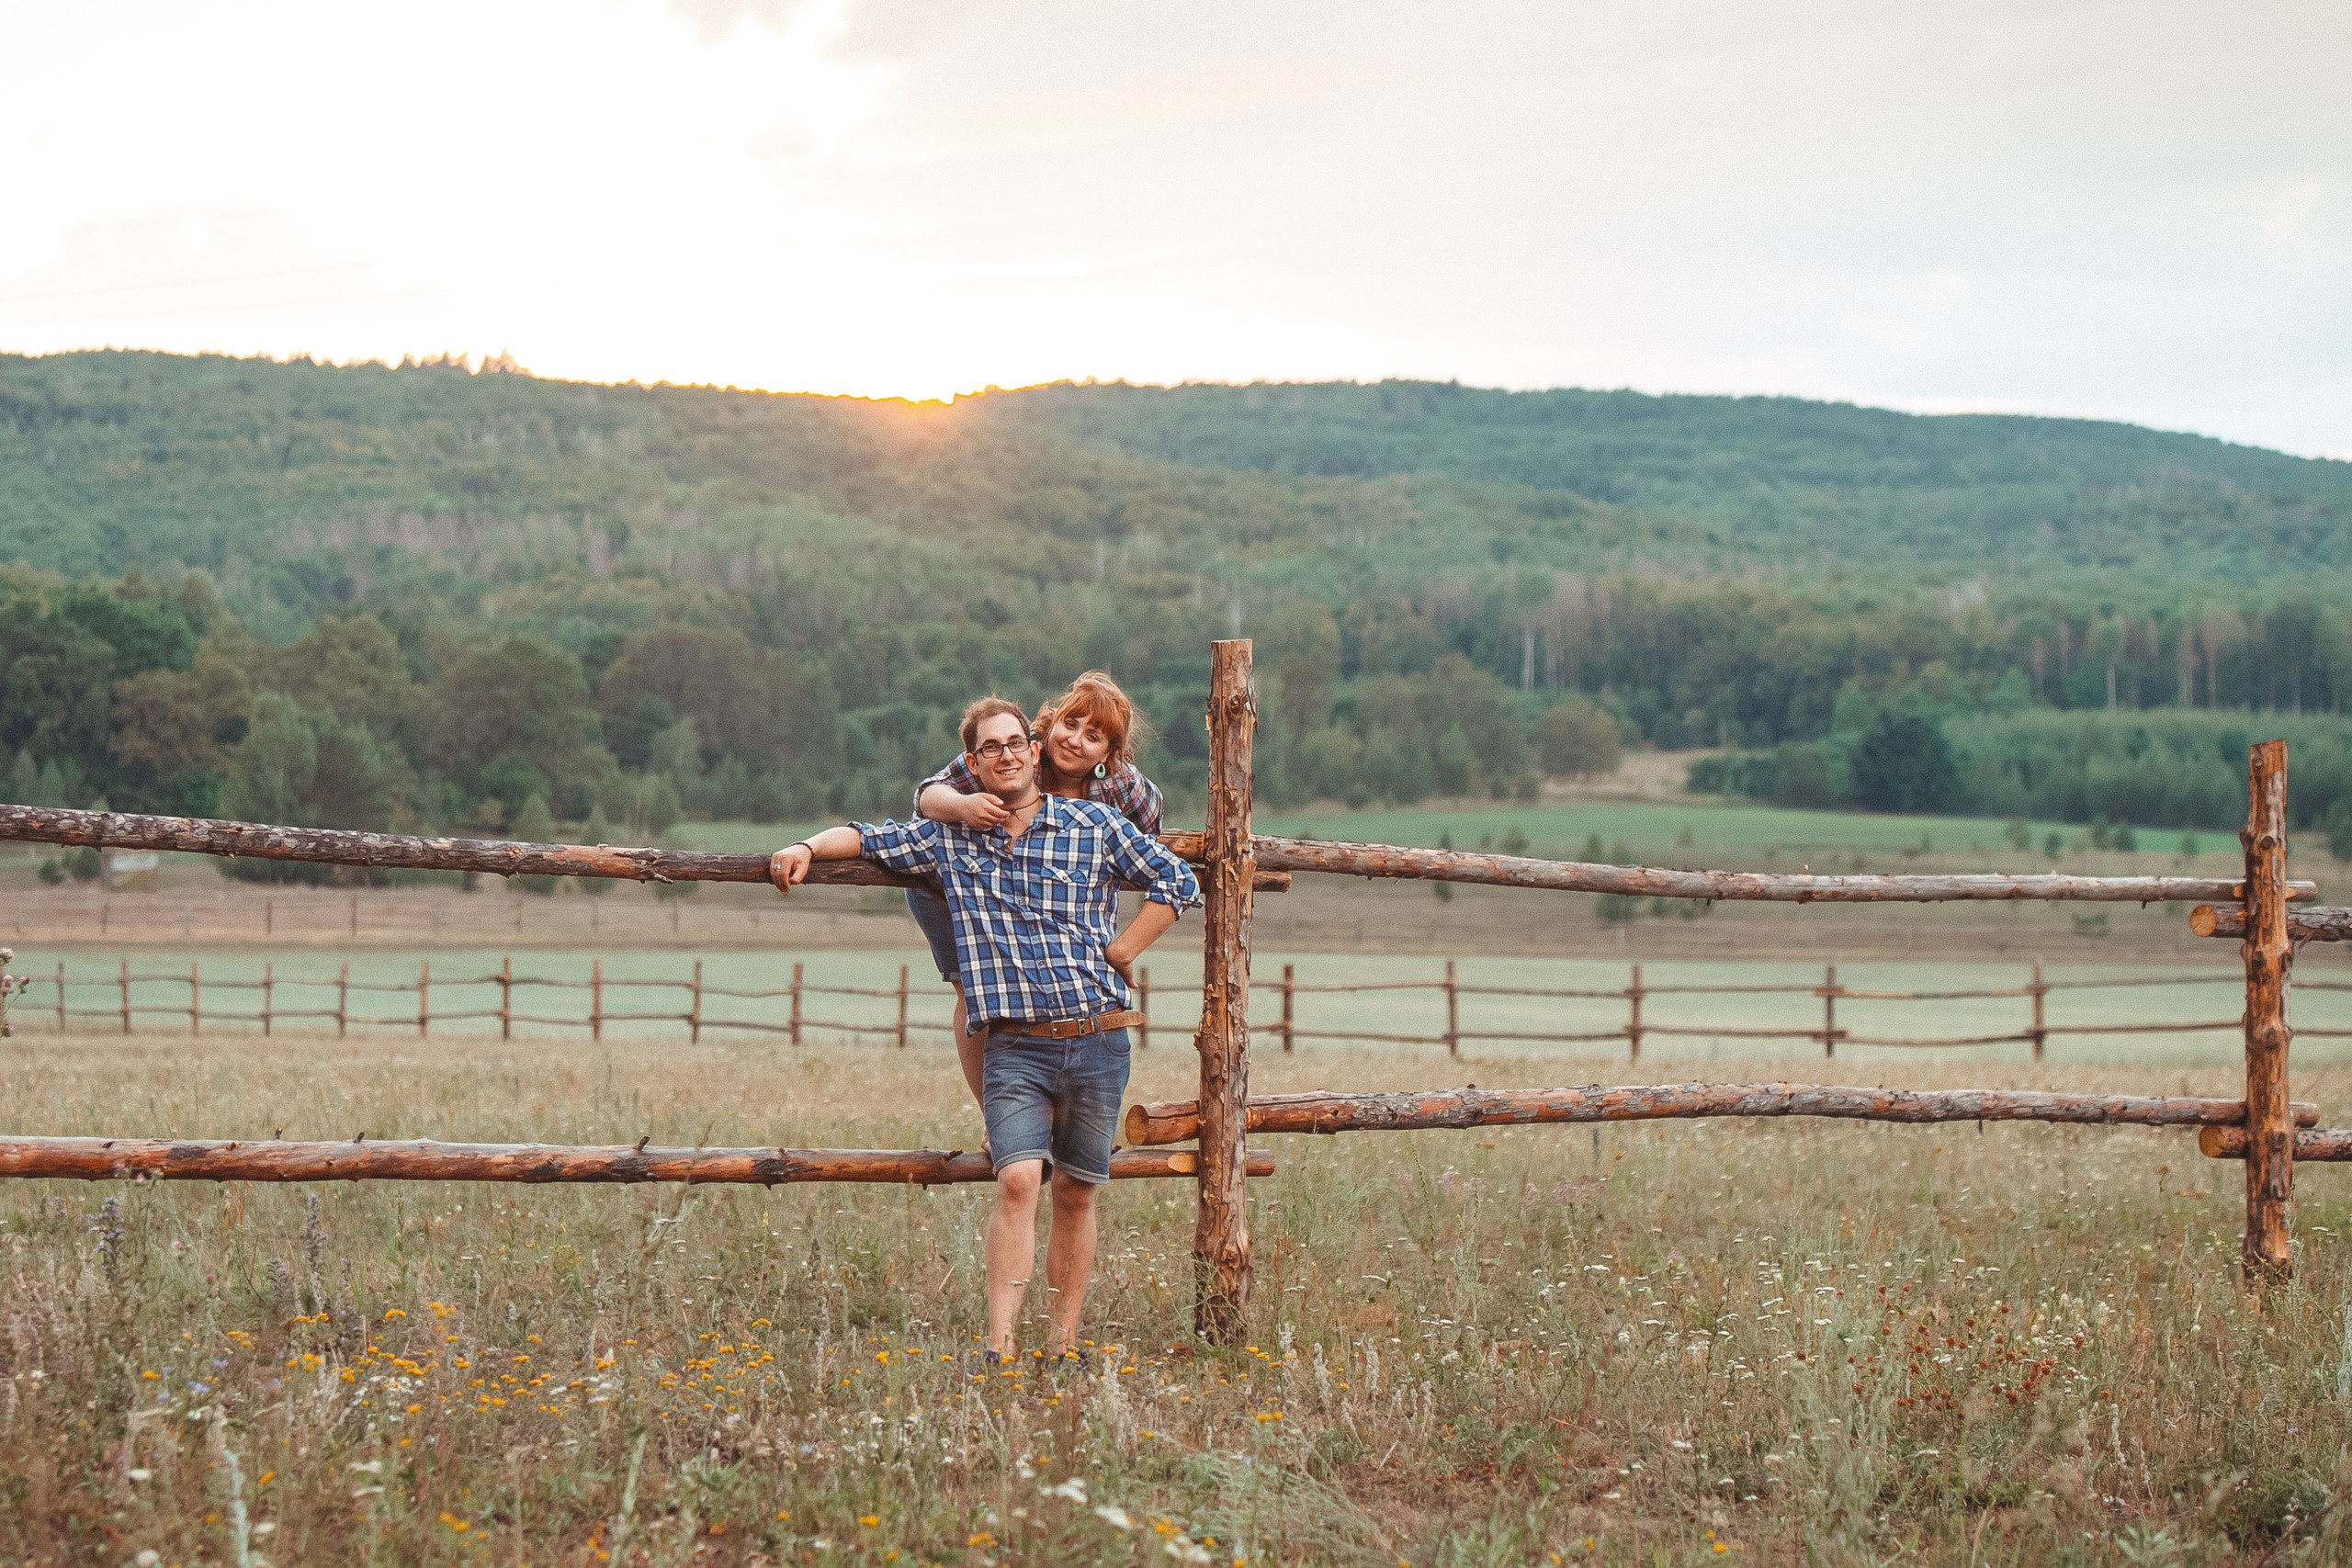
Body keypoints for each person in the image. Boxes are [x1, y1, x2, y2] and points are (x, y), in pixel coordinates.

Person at [768, 695, 1198, 1367]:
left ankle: (1062, 1346)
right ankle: (997, 1349)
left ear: (1032, 750)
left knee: (1077, 1190)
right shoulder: (950, 831)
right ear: (974, 763)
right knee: (1020, 1180)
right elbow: (867, 832)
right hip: (1014, 1040)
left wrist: (1121, 952)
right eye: (989, 748)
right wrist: (802, 846)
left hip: (1096, 1031)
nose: (1006, 754)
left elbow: (1175, 874)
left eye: (1013, 744)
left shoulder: (1097, 817)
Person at [903, 672, 1165, 1106]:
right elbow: (926, 797)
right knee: (978, 990)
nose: (1076, 740)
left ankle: (1055, 1113)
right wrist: (962, 805)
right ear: (1052, 722)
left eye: (1094, 735)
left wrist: (1116, 946)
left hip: (1052, 894)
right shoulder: (1017, 748)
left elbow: (1145, 855)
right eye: (1071, 723)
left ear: (1108, 754)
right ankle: (997, 1117)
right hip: (958, 885)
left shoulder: (1122, 788)